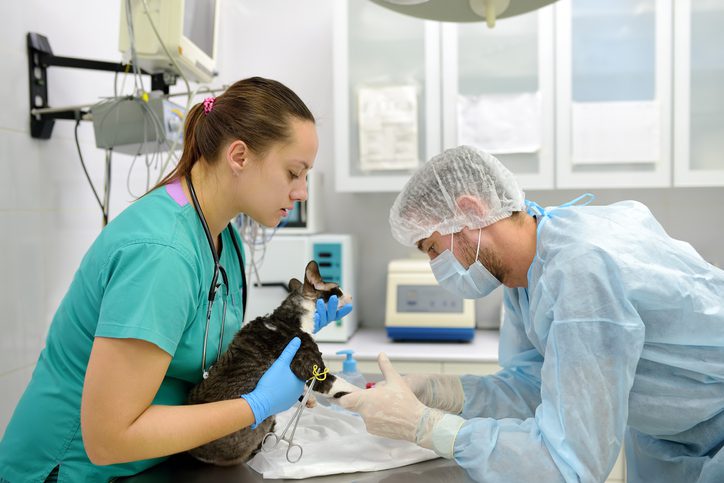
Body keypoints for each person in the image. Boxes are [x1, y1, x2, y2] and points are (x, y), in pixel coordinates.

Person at [0, 77, 352, 482]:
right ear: (239, 155)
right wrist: (257, 405)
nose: (302, 191)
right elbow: (107, 439)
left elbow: (205, 365)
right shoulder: (163, 254)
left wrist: (289, 332)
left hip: (151, 465)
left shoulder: (223, 238)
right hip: (71, 471)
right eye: (294, 172)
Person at [339, 145, 724, 483]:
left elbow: (569, 464)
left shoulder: (579, 268)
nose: (436, 266)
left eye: (432, 248)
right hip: (674, 437)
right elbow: (540, 384)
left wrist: (428, 427)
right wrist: (446, 391)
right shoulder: (525, 273)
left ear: (470, 211)